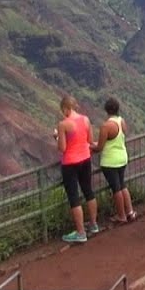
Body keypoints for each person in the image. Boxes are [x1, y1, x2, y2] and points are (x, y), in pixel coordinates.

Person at [55, 96, 99, 243]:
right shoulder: (85, 119)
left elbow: (62, 148)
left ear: (66, 109)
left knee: (74, 197)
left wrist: (56, 137)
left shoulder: (63, 125)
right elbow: (90, 140)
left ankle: (80, 233)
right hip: (85, 159)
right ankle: (93, 224)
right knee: (88, 191)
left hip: (70, 163)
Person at [91, 97, 136, 224]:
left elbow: (99, 147)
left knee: (116, 188)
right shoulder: (121, 121)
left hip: (110, 161)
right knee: (122, 185)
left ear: (106, 110)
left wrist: (89, 146)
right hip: (122, 157)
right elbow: (120, 137)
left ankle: (121, 216)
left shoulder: (106, 126)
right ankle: (130, 212)